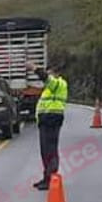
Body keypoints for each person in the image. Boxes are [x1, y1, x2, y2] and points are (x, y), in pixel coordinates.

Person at [28, 61, 69, 191]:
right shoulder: (50, 88)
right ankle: (47, 177)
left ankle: (51, 178)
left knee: (50, 150)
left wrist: (34, 69)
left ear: (56, 73)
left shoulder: (58, 84)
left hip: (52, 119)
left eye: (50, 72)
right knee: (45, 150)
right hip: (46, 120)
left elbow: (46, 78)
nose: (48, 75)